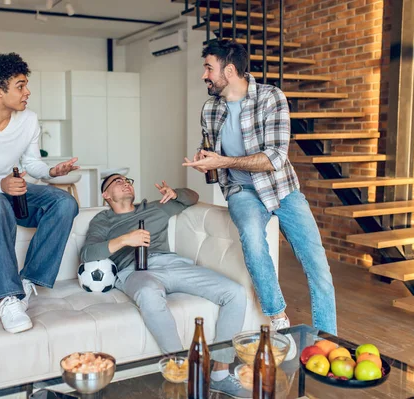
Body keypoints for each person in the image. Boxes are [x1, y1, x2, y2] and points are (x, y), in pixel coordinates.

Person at [183, 40, 337, 336]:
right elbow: (212, 152)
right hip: (243, 193)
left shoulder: (270, 98)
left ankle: (327, 337)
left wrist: (223, 160)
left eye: (208, 68)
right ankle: (278, 318)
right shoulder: (210, 109)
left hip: (282, 189)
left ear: (229, 70)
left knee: (317, 266)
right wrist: (206, 163)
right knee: (253, 240)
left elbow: (275, 158)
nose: (204, 75)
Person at [81, 174, 250, 397]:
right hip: (135, 271)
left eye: (127, 180)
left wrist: (176, 193)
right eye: (117, 181)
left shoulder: (154, 208)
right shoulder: (103, 220)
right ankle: (181, 369)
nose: (125, 183)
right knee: (148, 293)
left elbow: (192, 197)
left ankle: (219, 374)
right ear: (106, 194)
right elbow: (87, 254)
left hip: (173, 264)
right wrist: (125, 240)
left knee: (235, 292)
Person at [0, 52, 79, 334]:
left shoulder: (28, 119)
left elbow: (31, 163)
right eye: (20, 86)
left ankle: (28, 280)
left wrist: (50, 173)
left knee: (64, 203)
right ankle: (8, 298)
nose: (27, 92)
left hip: (11, 190)